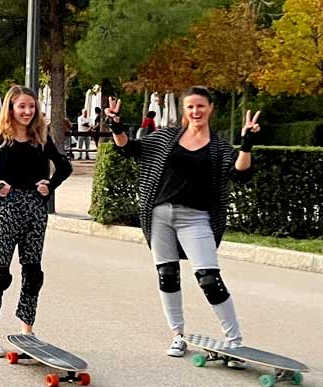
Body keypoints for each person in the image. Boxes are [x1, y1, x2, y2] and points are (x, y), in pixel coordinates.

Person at [105, 87, 260, 357]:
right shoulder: (166, 137)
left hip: (196, 218)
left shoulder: (219, 147)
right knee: (167, 276)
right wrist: (116, 126)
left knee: (209, 279)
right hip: (160, 215)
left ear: (210, 108)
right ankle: (178, 335)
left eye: (200, 106)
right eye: (190, 107)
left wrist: (246, 144)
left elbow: (240, 174)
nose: (195, 112)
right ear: (185, 110)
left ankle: (235, 340)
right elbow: (130, 149)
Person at [0, 85, 73, 357]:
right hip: (6, 210)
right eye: (22, 106)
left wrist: (50, 185)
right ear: (11, 108)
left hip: (34, 209)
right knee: (0, 273)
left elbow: (65, 166)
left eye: (31, 107)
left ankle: (27, 332)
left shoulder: (41, 139)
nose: (27, 111)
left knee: (33, 273)